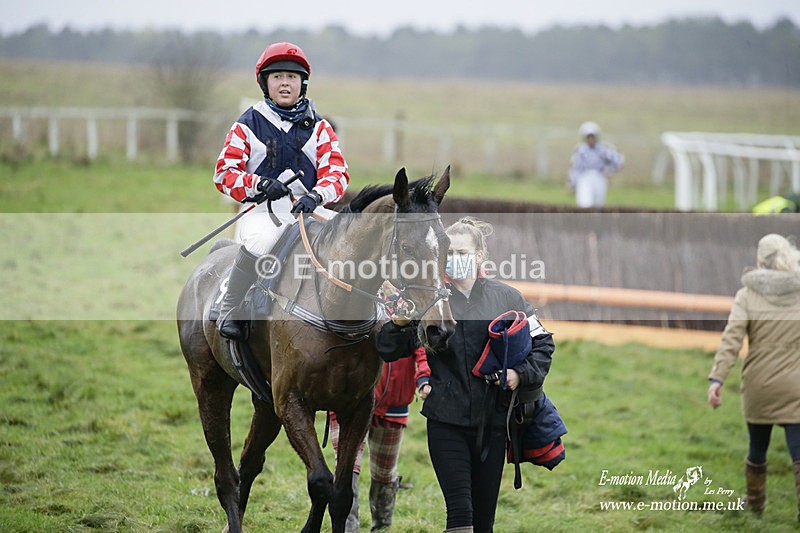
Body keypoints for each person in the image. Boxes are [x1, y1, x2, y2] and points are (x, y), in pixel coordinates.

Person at [420, 216, 556, 533]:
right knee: (460, 517)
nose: (455, 260)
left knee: (484, 524)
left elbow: (544, 344)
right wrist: (399, 323)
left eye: (463, 253)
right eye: (449, 254)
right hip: (445, 423)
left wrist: (519, 375)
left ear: (480, 255)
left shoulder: (507, 298)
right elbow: (392, 347)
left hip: (494, 425)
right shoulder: (431, 300)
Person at [212, 41, 349, 339]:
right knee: (262, 241)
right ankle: (231, 308)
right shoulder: (246, 125)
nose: (285, 83)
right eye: (277, 77)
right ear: (265, 83)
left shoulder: (321, 127)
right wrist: (259, 184)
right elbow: (224, 174)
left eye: (292, 77)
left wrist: (317, 195)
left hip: (311, 211)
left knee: (351, 242)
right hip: (263, 212)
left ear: (303, 83)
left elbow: (338, 173)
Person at [707, 233, 800, 520]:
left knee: (757, 449)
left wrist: (717, 379)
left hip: (759, 386)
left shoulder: (747, 295)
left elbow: (731, 341)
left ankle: (755, 506)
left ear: (759, 261)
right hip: (796, 386)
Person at [568, 121, 624, 208]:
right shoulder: (580, 151)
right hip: (584, 178)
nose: (591, 139)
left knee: (598, 205)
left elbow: (618, 160)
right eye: (588, 137)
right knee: (585, 203)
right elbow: (575, 168)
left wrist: (609, 172)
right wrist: (572, 182)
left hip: (599, 177)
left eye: (592, 136)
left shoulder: (603, 149)